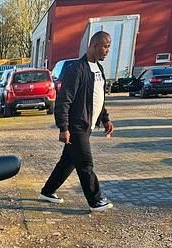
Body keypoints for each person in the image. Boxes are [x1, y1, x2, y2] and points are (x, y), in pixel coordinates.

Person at [40, 31, 115, 211]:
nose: (107, 51)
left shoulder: (98, 69)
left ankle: (47, 191)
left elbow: (98, 98)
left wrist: (105, 119)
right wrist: (63, 127)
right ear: (94, 45)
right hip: (76, 126)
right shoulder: (77, 69)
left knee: (68, 161)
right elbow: (63, 100)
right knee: (85, 163)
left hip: (87, 124)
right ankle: (95, 200)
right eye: (105, 46)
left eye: (109, 47)